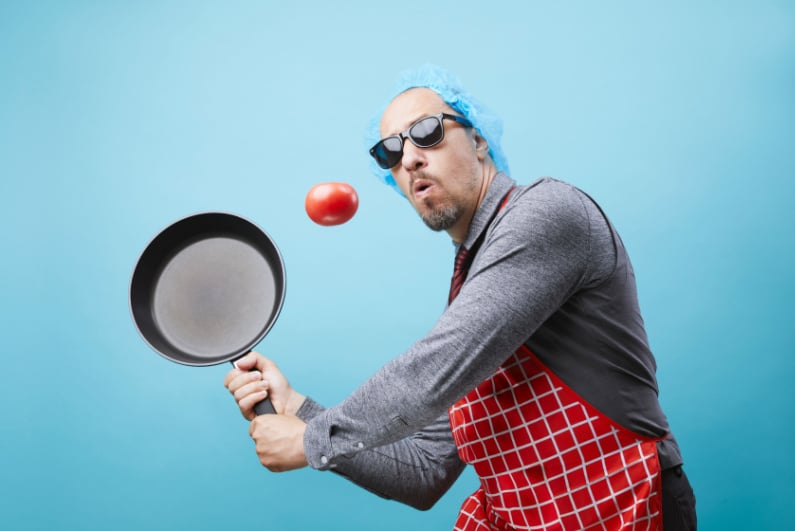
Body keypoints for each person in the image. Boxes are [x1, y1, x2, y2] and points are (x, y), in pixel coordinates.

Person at [224, 65, 697, 530]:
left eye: (427, 131)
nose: (408, 159)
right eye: (390, 151)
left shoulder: (547, 213)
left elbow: (431, 371)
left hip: (626, 506)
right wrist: (299, 408)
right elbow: (425, 471)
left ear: (478, 140)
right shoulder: (473, 287)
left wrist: (312, 441)